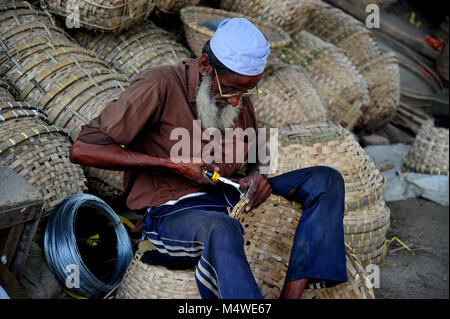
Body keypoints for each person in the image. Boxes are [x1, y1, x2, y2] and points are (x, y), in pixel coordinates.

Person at [69, 18, 347, 299]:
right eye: (231, 89)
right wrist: (171, 164)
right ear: (205, 66)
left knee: (325, 180)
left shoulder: (235, 92)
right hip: (174, 211)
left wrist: (258, 176)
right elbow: (82, 149)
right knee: (222, 227)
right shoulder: (160, 84)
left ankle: (292, 294)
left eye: (246, 91)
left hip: (228, 193)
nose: (238, 101)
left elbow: (259, 148)